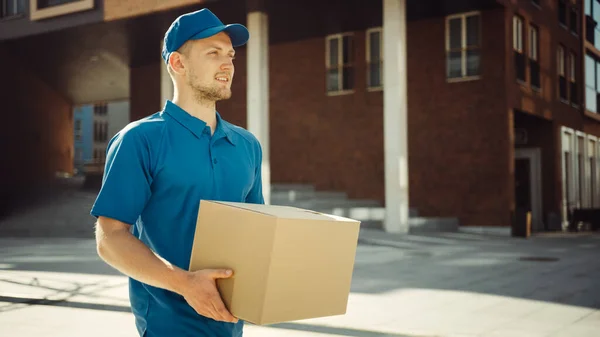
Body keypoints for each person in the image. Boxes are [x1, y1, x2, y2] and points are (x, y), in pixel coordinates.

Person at [90, 8, 263, 337]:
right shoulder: (140, 140)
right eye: (213, 53)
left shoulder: (247, 145)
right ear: (178, 64)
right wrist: (187, 284)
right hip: (166, 328)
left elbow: (258, 233)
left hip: (231, 326)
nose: (227, 64)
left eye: (230, 55)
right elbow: (110, 239)